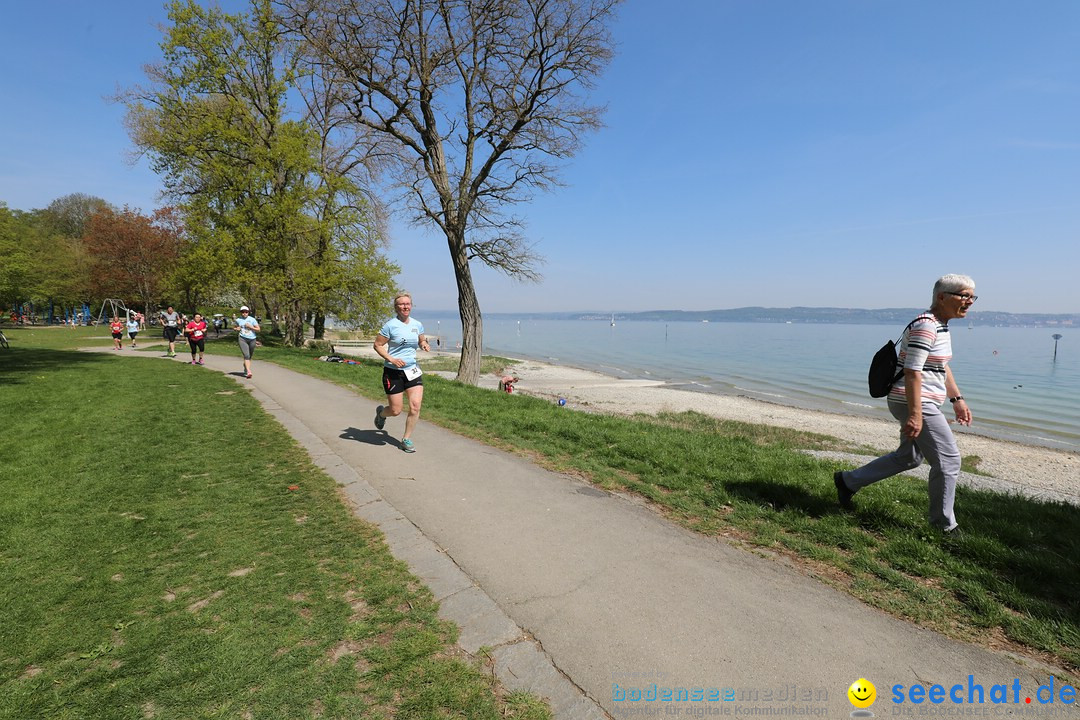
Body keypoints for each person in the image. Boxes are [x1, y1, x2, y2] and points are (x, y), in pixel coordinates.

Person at [834, 274, 977, 532]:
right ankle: (943, 526)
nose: (969, 302)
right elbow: (913, 371)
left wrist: (957, 399)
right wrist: (915, 414)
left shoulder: (941, 325)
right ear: (942, 297)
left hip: (920, 401)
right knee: (949, 461)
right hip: (914, 400)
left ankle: (848, 482)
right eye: (964, 296)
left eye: (972, 297)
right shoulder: (927, 326)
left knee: (908, 457)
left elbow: (941, 366)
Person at [373, 293, 430, 453]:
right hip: (393, 373)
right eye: (401, 304)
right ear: (396, 307)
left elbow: (421, 339)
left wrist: (424, 344)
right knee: (396, 410)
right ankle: (382, 414)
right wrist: (391, 359)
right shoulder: (390, 326)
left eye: (408, 304)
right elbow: (377, 345)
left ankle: (406, 439)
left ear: (411, 306)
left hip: (412, 371)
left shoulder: (417, 324)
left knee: (415, 406)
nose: (405, 306)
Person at [234, 305, 260, 378]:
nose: (244, 313)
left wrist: (251, 327)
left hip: (252, 339)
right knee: (246, 355)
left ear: (248, 312)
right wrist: (236, 329)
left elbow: (258, 329)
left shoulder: (252, 319)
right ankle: (249, 371)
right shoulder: (238, 320)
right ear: (241, 312)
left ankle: (245, 367)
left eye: (246, 312)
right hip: (242, 339)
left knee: (249, 356)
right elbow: (235, 327)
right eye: (242, 312)